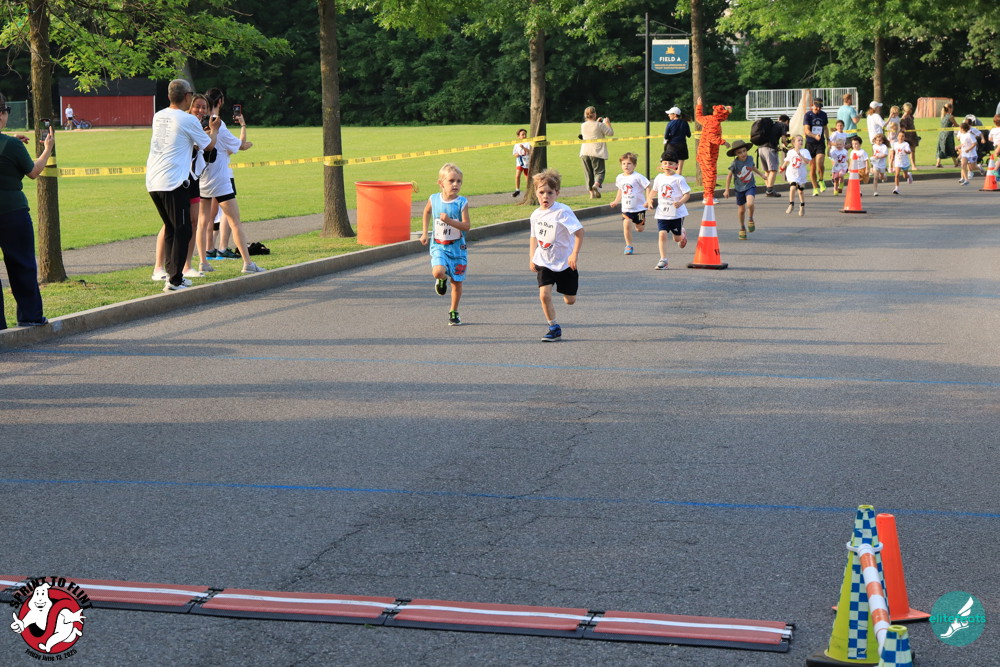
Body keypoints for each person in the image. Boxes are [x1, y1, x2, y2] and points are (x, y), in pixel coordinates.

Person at [146, 79, 219, 292]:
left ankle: (173, 274)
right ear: (187, 96)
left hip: (154, 181)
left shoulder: (159, 116)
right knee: (183, 229)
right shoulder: (187, 120)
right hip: (174, 182)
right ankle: (174, 280)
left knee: (171, 227)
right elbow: (208, 145)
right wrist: (214, 130)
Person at [198, 88, 265, 275]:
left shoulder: (198, 123)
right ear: (219, 102)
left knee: (202, 222)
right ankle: (247, 263)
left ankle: (203, 262)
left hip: (202, 179)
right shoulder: (218, 124)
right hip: (220, 179)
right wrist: (243, 128)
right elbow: (239, 146)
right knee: (235, 221)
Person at [0, 95, 54, 328]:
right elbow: (33, 171)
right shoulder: (11, 146)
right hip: (12, 212)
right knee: (21, 265)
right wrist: (47, 149)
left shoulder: (10, 144)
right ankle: (30, 317)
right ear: (1, 114)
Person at [529, 169, 584, 342]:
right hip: (544, 261)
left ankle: (567, 291)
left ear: (557, 193)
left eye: (550, 193)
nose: (545, 196)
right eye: (541, 192)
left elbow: (579, 232)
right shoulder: (535, 214)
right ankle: (553, 327)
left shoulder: (562, 212)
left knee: (570, 300)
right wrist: (532, 257)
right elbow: (534, 236)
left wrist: (574, 254)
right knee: (544, 295)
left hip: (565, 263)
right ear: (536, 193)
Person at [419, 162, 470, 326]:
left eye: (459, 181)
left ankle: (453, 311)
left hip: (458, 249)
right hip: (439, 246)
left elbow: (466, 226)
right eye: (451, 181)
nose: (455, 184)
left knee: (457, 282)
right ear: (441, 183)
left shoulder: (462, 202)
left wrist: (449, 221)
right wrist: (425, 233)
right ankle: (441, 280)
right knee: (438, 271)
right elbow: (427, 211)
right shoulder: (434, 199)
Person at [649, 151, 690, 270]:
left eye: (671, 163)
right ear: (661, 164)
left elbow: (687, 194)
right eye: (665, 163)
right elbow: (654, 190)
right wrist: (649, 200)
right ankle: (663, 260)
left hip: (676, 214)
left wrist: (680, 202)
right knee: (662, 234)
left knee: (677, 238)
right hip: (662, 213)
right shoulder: (659, 177)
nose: (667, 166)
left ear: (676, 165)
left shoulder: (679, 179)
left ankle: (682, 233)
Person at [722, 139, 765, 240]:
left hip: (750, 186)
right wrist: (727, 190)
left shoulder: (750, 159)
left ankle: (750, 218)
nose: (743, 154)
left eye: (744, 151)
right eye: (739, 152)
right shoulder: (735, 164)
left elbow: (753, 167)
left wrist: (761, 175)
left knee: (750, 203)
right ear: (736, 154)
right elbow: (729, 177)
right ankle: (742, 227)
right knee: (741, 210)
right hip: (739, 189)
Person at [609, 151, 650, 255]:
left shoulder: (638, 177)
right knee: (626, 223)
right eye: (624, 164)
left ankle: (640, 222)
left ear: (634, 165)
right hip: (626, 207)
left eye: (629, 163)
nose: (626, 166)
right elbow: (620, 190)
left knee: (640, 229)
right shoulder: (619, 177)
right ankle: (628, 245)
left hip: (639, 208)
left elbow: (648, 186)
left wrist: (648, 200)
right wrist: (616, 201)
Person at [695, 97, 732, 198]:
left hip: (703, 152)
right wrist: (724, 142)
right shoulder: (715, 123)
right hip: (708, 153)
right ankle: (709, 196)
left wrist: (699, 106)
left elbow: (698, 117)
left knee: (707, 175)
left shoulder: (708, 118)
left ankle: (707, 195)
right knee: (710, 175)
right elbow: (711, 137)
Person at [579, 107, 613, 198]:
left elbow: (590, 131)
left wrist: (597, 122)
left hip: (584, 151)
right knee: (599, 172)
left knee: (588, 173)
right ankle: (596, 185)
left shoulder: (583, 125)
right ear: (594, 114)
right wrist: (608, 124)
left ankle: (591, 194)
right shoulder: (600, 125)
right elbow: (610, 133)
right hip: (596, 152)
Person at [758, 114, 789, 197]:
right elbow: (783, 140)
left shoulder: (771, 125)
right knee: (773, 170)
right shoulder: (783, 125)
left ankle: (768, 189)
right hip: (770, 149)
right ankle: (770, 190)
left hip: (760, 148)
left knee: (767, 171)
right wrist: (788, 145)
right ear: (787, 121)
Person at [803, 97, 829, 194]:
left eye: (820, 107)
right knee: (812, 167)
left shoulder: (823, 115)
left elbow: (825, 128)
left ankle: (821, 180)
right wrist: (814, 136)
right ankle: (815, 188)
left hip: (820, 143)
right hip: (810, 143)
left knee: (820, 163)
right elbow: (806, 130)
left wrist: (828, 139)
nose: (818, 109)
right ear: (812, 105)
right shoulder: (808, 115)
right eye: (817, 107)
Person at [781, 135, 811, 216]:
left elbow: (807, 162)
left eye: (802, 140)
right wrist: (782, 168)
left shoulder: (805, 151)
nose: (801, 142)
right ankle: (791, 204)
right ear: (794, 143)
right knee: (793, 186)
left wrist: (800, 155)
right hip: (792, 173)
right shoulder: (790, 152)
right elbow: (787, 161)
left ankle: (802, 205)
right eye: (799, 140)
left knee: (800, 192)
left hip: (801, 174)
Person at [663, 106, 691, 174]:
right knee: (679, 168)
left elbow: (666, 136)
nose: (668, 115)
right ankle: (679, 178)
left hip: (672, 146)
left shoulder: (670, 123)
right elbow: (689, 135)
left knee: (670, 166)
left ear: (674, 115)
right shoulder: (685, 123)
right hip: (682, 146)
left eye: (670, 114)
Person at [935, 103, 959, 168]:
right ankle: (956, 163)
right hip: (948, 134)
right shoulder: (950, 116)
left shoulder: (942, 116)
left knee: (940, 148)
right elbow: (956, 125)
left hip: (942, 134)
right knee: (951, 148)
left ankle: (938, 163)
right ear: (950, 109)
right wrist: (962, 126)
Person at [899, 102, 920, 169]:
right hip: (907, 137)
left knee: (912, 151)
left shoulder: (910, 116)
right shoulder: (904, 117)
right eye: (910, 109)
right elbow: (903, 127)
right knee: (904, 152)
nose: (911, 110)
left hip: (912, 135)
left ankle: (913, 165)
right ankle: (902, 165)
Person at [512, 128, 531, 197]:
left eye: (525, 134)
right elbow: (514, 153)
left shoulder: (528, 143)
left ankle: (529, 190)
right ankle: (517, 190)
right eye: (522, 134)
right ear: (518, 136)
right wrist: (516, 155)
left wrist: (523, 148)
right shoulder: (517, 144)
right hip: (520, 162)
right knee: (517, 175)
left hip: (527, 162)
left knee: (527, 177)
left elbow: (530, 151)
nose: (524, 136)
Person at [957, 121, 977, 185]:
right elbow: (963, 144)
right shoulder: (961, 135)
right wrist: (958, 147)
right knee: (963, 165)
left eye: (960, 128)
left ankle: (979, 168)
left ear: (962, 129)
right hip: (964, 153)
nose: (959, 130)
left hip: (971, 153)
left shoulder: (969, 135)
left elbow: (975, 143)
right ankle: (966, 180)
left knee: (973, 167)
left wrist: (968, 149)